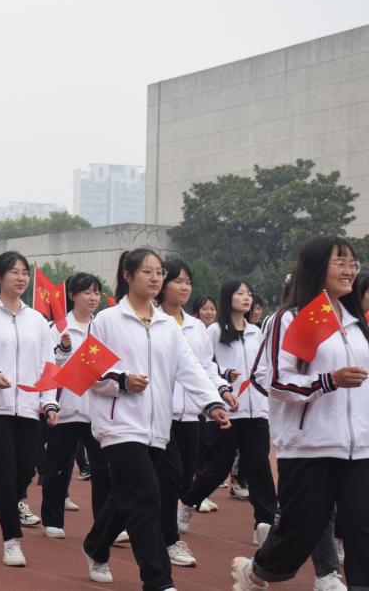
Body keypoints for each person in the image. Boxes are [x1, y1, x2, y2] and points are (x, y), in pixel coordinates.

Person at [80, 248, 232, 589]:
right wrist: (122, 381)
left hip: (157, 427)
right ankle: (158, 580)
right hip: (119, 426)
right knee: (147, 498)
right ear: (128, 275)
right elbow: (88, 372)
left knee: (128, 496)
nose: (155, 278)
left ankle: (95, 545)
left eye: (159, 272)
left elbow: (189, 368)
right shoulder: (106, 321)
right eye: (147, 271)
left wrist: (211, 403)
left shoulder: (167, 325)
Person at [232, 236, 369, 590]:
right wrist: (329, 380)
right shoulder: (295, 319)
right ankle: (257, 572)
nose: (349, 270)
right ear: (316, 267)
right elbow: (276, 381)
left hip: (359, 447)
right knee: (301, 529)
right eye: (340, 262)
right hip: (309, 445)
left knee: (361, 525)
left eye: (353, 264)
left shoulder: (355, 322)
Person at [0, 252, 59, 567]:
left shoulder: (37, 321)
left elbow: (48, 367)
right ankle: (12, 541)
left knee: (26, 471)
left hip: (28, 408)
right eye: (14, 272)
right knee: (3, 473)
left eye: (24, 273)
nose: (20, 278)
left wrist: (49, 403)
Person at [179, 280, 277, 547]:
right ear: (228, 297)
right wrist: (223, 383)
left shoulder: (256, 332)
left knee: (259, 468)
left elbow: (264, 369)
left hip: (257, 412)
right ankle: (188, 501)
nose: (247, 298)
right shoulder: (213, 331)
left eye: (249, 294)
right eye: (240, 293)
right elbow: (204, 367)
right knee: (217, 468)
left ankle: (264, 523)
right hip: (227, 412)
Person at [155, 259, 232, 567]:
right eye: (178, 281)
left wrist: (220, 392)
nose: (184, 287)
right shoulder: (153, 322)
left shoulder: (196, 327)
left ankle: (121, 525)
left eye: (188, 281)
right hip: (160, 414)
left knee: (185, 479)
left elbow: (205, 367)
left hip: (191, 415)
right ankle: (169, 539)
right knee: (169, 478)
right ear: (163, 284)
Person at [40, 273, 110, 539]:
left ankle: (105, 525)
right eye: (86, 292)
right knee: (58, 467)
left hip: (97, 412)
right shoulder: (57, 329)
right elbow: (49, 368)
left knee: (103, 470)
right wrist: (50, 404)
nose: (92, 298)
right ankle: (52, 520)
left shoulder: (102, 328)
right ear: (72, 295)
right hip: (65, 410)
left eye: (96, 293)